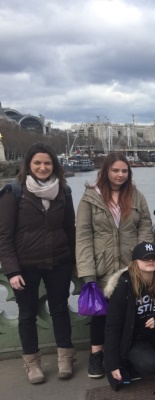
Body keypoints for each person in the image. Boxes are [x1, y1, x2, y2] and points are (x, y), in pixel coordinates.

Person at [0, 143, 76, 384]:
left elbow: (69, 229)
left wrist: (74, 260)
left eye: (47, 163)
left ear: (54, 165)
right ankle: (32, 363)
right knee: (27, 314)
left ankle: (65, 356)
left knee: (60, 309)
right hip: (26, 265)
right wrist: (12, 270)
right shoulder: (14, 192)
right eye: (37, 163)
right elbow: (4, 235)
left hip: (59, 261)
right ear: (29, 165)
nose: (43, 167)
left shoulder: (64, 191)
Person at [76, 152, 153, 379]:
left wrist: (143, 259)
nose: (120, 175)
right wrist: (87, 272)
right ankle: (96, 356)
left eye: (124, 171)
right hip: (102, 264)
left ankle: (123, 354)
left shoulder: (136, 196)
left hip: (129, 265)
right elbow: (83, 236)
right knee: (100, 314)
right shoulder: (90, 197)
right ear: (106, 171)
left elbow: (145, 228)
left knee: (128, 313)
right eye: (115, 170)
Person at [104, 241, 155, 386]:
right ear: (135, 261)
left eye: (154, 257)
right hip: (135, 338)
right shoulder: (123, 285)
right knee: (151, 365)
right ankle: (131, 362)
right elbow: (112, 327)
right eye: (146, 258)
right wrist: (113, 364)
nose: (150, 261)